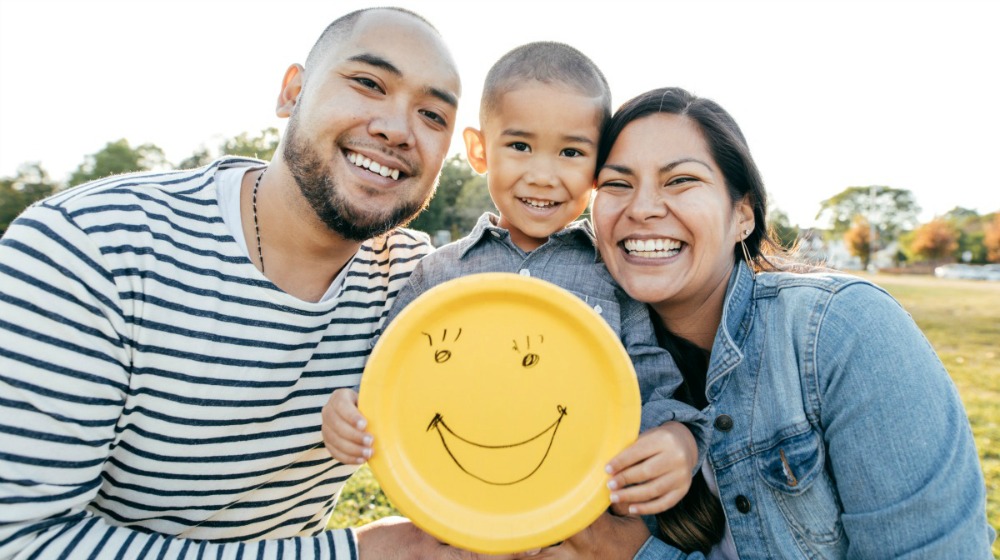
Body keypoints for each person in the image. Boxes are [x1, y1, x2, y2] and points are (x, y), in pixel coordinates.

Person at [0, 7, 512, 559]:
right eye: (368, 83)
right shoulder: (90, 249)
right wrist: (354, 555)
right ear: (292, 91)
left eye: (433, 116)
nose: (396, 129)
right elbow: (19, 539)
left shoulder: (421, 284)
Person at [577, 86, 996, 558]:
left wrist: (636, 553)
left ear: (743, 215)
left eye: (680, 181)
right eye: (616, 184)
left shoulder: (841, 331)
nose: (643, 207)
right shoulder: (577, 359)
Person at [322, 42, 708, 520]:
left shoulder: (613, 278)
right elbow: (389, 378)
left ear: (597, 170)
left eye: (570, 152)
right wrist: (348, 409)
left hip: (578, 516)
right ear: (480, 150)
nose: (543, 175)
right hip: (457, 515)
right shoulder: (437, 274)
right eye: (520, 146)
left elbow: (652, 385)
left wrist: (679, 439)